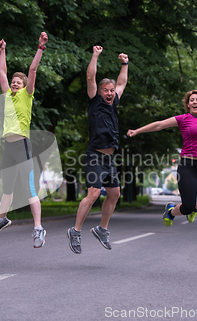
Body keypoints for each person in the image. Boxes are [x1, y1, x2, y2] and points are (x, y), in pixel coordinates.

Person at [127, 90, 197, 226]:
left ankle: (195, 207)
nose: (194, 102)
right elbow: (159, 125)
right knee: (187, 207)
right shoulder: (183, 119)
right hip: (188, 167)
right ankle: (170, 212)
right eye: (191, 100)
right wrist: (137, 131)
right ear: (188, 105)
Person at [0, 32, 48, 248]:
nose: (14, 84)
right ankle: (2, 219)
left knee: (29, 188)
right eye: (13, 82)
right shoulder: (7, 96)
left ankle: (38, 228)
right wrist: (2, 51)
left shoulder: (27, 95)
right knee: (7, 190)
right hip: (8, 148)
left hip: (22, 145)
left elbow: (32, 70)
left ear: (24, 86)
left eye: (18, 82)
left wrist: (40, 47)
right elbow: (1, 71)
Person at [67, 46, 129, 254]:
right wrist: (95, 55)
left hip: (109, 159)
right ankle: (75, 231)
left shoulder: (114, 103)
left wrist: (124, 63)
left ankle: (102, 229)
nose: (110, 93)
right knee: (93, 194)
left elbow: (122, 82)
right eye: (106, 90)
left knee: (114, 193)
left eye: (111, 91)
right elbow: (90, 77)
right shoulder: (95, 102)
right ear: (100, 92)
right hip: (95, 155)